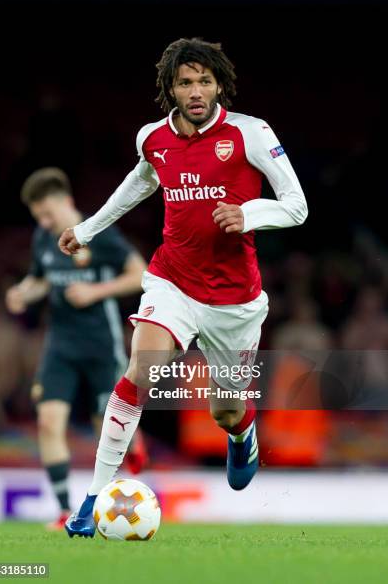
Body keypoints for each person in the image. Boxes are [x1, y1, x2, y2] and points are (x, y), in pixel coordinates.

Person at [59, 38, 308, 538]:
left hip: (234, 301)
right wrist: (87, 229)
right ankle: (90, 501)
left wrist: (249, 213)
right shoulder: (153, 138)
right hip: (172, 280)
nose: (196, 91)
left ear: (220, 84)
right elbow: (140, 182)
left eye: (204, 81)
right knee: (140, 371)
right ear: (170, 89)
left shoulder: (250, 134)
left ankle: (242, 432)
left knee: (226, 408)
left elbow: (297, 205)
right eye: (185, 82)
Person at [5, 167, 147, 530]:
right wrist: (24, 292)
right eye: (39, 217)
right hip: (61, 344)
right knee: (49, 421)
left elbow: (139, 274)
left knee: (108, 425)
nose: (45, 222)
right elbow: (42, 279)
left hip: (101, 342)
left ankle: (132, 444)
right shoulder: (44, 237)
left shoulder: (99, 233)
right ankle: (65, 510)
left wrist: (95, 292)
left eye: (48, 213)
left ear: (65, 201)